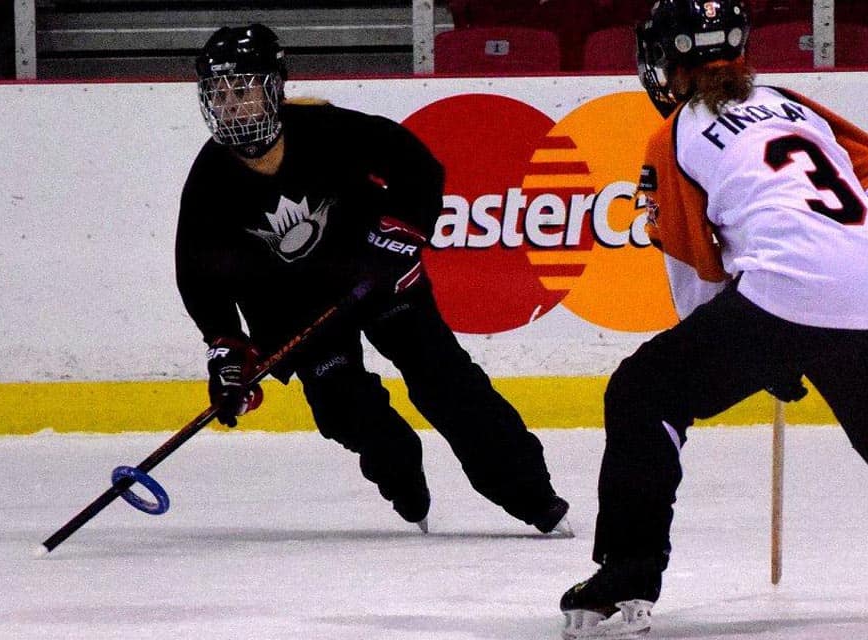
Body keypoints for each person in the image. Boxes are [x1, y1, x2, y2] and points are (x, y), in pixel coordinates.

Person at [559, 1, 868, 637]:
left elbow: (699, 270)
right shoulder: (794, 102)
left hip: (786, 291)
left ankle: (626, 577)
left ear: (667, 61)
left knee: (644, 391)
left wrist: (764, 351)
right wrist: (843, 248)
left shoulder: (675, 133)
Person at [175, 24, 571, 536]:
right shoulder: (209, 179)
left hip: (378, 280)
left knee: (447, 383)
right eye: (219, 93)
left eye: (244, 88)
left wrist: (397, 237)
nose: (232, 104)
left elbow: (417, 166)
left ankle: (533, 496)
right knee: (346, 412)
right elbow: (198, 275)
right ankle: (402, 473)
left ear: (275, 85)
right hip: (299, 312)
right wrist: (228, 349)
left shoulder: (327, 130)